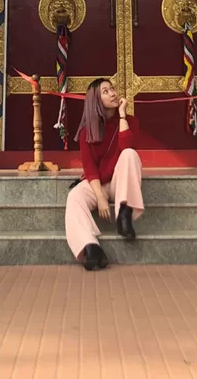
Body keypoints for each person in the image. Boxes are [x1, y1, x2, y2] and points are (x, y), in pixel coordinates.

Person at [65, 77, 144, 270]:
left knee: (130, 154)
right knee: (74, 196)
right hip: (98, 184)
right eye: (106, 91)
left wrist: (122, 115)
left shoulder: (130, 121)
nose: (113, 94)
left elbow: (127, 146)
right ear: (96, 100)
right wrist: (100, 197)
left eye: (113, 89)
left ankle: (124, 214)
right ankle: (91, 247)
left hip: (120, 184)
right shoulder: (87, 131)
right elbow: (89, 168)